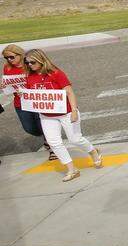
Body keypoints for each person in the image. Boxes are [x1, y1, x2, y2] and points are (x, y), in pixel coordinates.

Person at [21, 49, 101, 182]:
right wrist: (22, 94)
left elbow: (69, 92)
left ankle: (93, 151)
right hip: (46, 115)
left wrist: (74, 110)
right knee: (54, 142)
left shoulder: (56, 73)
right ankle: (72, 169)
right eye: (27, 62)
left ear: (41, 60)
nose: (29, 65)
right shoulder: (29, 76)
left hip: (66, 112)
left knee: (75, 139)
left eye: (32, 62)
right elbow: (32, 95)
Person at [2, 44, 49, 158]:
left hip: (35, 100)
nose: (9, 60)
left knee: (43, 124)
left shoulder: (30, 65)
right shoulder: (7, 68)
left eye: (11, 57)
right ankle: (46, 135)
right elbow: (8, 84)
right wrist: (4, 85)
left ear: (20, 54)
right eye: (6, 57)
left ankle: (49, 143)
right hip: (20, 102)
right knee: (30, 128)